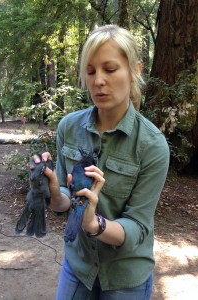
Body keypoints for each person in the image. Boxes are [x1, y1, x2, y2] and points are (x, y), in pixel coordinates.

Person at [37, 24, 170, 299]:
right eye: (90, 71)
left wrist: (93, 223)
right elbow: (64, 200)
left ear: (135, 70)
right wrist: (52, 189)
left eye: (109, 69)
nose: (98, 81)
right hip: (78, 266)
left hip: (126, 276)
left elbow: (138, 227)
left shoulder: (152, 145)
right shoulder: (69, 128)